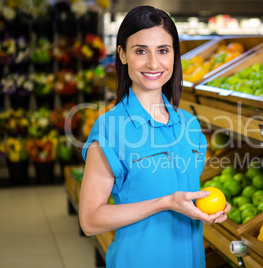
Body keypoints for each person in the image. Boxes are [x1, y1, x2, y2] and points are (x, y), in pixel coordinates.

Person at [79, 5, 231, 268]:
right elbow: (90, 220)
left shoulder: (190, 126)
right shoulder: (110, 129)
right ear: (123, 55)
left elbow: (185, 193)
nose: (153, 63)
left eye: (163, 50)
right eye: (141, 51)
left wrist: (209, 206)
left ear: (174, 55)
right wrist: (165, 203)